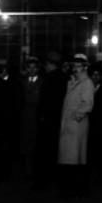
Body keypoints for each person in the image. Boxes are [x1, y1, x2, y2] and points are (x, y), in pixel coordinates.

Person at [58, 53, 94, 197]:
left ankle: (76, 189)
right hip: (68, 126)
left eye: (79, 66)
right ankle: (69, 188)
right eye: (74, 66)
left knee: (76, 160)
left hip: (76, 127)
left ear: (85, 67)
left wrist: (75, 117)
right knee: (69, 160)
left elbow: (88, 105)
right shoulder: (72, 82)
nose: (75, 69)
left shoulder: (87, 83)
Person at [34, 51, 67, 188]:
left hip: (47, 120)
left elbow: (46, 101)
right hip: (57, 119)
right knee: (53, 151)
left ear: (50, 64)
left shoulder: (50, 79)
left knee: (45, 152)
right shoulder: (63, 78)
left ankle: (44, 180)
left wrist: (41, 116)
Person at [20, 57, 43, 177]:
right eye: (29, 67)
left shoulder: (42, 82)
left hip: (36, 117)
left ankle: (35, 171)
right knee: (25, 145)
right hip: (24, 117)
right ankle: (27, 171)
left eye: (34, 67)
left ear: (38, 69)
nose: (32, 70)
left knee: (35, 145)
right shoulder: (22, 82)